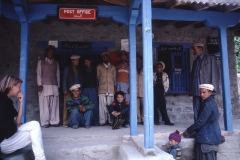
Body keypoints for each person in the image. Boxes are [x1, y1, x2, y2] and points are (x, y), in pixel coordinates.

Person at [0, 75, 46, 160]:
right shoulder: (2, 101)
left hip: (8, 137)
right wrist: (15, 126)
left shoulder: (7, 101)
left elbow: (17, 122)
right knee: (34, 131)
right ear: (12, 86)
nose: (20, 90)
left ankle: (40, 158)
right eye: (18, 87)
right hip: (4, 142)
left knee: (34, 125)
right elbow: (7, 127)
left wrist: (21, 103)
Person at [182, 84, 222, 160]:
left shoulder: (208, 105)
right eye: (201, 92)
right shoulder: (211, 102)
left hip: (207, 140)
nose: (201, 95)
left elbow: (200, 122)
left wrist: (187, 132)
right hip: (212, 138)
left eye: (204, 92)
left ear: (210, 93)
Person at [190, 42, 220, 122]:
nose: (193, 51)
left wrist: (213, 89)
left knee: (206, 109)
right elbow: (193, 76)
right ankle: (197, 127)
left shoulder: (210, 59)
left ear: (200, 49)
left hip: (206, 90)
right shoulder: (195, 62)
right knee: (196, 110)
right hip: (196, 90)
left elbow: (215, 74)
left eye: (194, 49)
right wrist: (191, 88)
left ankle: (206, 127)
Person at [36, 45, 60, 128]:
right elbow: (38, 74)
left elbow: (58, 75)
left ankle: (54, 121)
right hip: (44, 86)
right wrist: (39, 84)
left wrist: (58, 85)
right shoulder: (41, 62)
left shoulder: (56, 63)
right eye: (49, 51)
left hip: (54, 85)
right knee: (44, 105)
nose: (51, 52)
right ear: (46, 52)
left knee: (54, 105)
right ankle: (45, 122)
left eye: (52, 51)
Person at [62, 55, 82, 128]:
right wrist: (64, 89)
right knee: (66, 106)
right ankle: (65, 122)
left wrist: (80, 90)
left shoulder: (78, 69)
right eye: (75, 60)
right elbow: (64, 79)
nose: (77, 61)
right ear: (72, 61)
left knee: (75, 106)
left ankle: (73, 121)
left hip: (76, 91)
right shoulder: (67, 68)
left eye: (78, 60)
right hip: (68, 91)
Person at [97, 52, 116, 126]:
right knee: (102, 106)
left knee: (110, 105)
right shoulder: (99, 67)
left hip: (111, 88)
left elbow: (114, 78)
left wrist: (114, 88)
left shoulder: (113, 67)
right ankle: (102, 121)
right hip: (102, 88)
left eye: (106, 56)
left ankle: (111, 120)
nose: (105, 58)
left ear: (109, 57)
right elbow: (98, 77)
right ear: (102, 58)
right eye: (103, 57)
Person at [153, 61, 174, 125]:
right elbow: (149, 82)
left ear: (162, 68)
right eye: (157, 67)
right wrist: (153, 83)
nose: (159, 68)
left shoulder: (165, 74)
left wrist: (165, 90)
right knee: (155, 106)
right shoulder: (153, 74)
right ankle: (156, 120)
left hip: (161, 91)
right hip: (155, 91)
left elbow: (167, 83)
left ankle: (166, 120)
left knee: (163, 107)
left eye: (160, 67)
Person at [82, 56, 99, 126]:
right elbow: (81, 80)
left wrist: (97, 89)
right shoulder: (83, 70)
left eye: (88, 61)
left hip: (93, 89)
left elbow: (97, 80)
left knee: (94, 104)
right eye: (85, 61)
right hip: (85, 89)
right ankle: (87, 121)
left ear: (91, 61)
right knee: (86, 104)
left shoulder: (95, 69)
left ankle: (95, 121)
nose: (87, 62)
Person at [136, 55, 144, 125]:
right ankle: (138, 120)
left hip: (143, 90)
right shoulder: (133, 69)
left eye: (139, 60)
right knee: (136, 106)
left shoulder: (145, 69)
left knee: (144, 106)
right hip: (135, 90)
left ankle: (143, 120)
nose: (138, 62)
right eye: (137, 60)